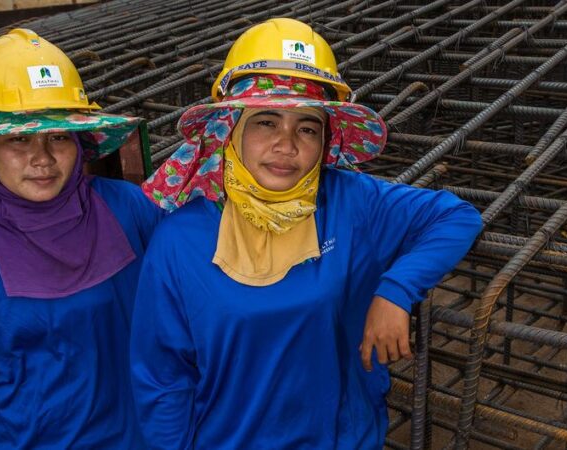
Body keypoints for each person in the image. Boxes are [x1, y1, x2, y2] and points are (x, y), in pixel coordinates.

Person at [132, 18, 482, 449]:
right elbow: (163, 377)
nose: (287, 144)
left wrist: (395, 290)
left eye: (307, 127)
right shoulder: (180, 239)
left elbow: (457, 217)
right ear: (231, 129)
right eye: (265, 122)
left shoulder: (351, 201)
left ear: (324, 140)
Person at [0, 29, 163, 448]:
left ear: (79, 144)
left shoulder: (129, 209)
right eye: (19, 139)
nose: (42, 158)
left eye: (58, 137)